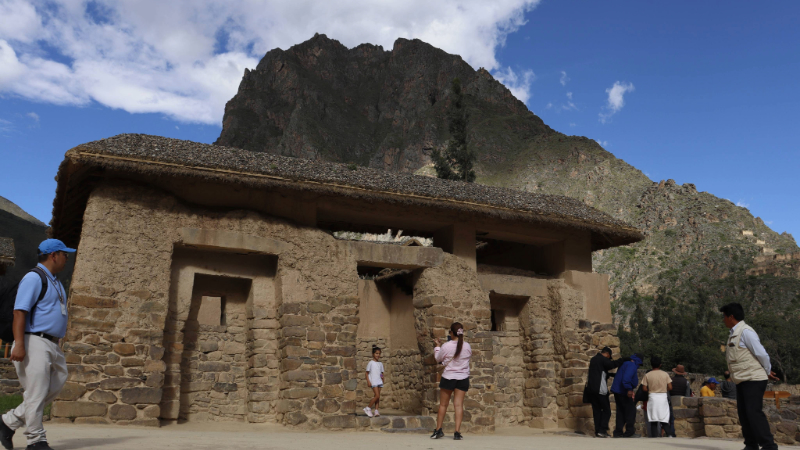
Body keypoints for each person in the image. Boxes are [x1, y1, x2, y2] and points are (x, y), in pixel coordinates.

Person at [0, 239, 74, 450]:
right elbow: (19, 311)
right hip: (34, 340)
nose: (66, 257)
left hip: (52, 343)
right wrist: (20, 344)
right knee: (37, 391)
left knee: (57, 382)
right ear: (53, 255)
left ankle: (8, 421)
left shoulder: (56, 281)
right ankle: (35, 440)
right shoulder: (34, 277)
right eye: (64, 254)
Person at [720, 302, 779, 450]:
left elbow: (761, 354)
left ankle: (769, 446)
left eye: (724, 317)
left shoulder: (746, 332)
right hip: (742, 379)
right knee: (744, 414)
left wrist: (767, 370)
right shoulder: (734, 333)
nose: (723, 320)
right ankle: (751, 445)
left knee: (753, 413)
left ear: (731, 317)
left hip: (753, 378)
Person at [430, 322, 472, 441]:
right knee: (458, 405)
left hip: (449, 377)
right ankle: (457, 432)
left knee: (443, 405)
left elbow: (438, 358)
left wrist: (437, 346)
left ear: (452, 333)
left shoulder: (447, 346)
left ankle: (438, 430)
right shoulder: (467, 346)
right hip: (463, 378)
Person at [585, 346, 628, 438]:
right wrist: (622, 360)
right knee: (607, 410)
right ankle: (602, 430)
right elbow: (612, 365)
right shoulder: (602, 359)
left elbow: (600, 372)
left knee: (596, 411)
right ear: (607, 354)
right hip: (600, 390)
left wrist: (611, 375)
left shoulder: (593, 359)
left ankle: (598, 431)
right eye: (609, 357)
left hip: (591, 390)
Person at [611, 353, 643, 438]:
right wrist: (629, 389)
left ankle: (618, 432)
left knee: (620, 412)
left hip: (617, 390)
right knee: (631, 411)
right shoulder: (631, 365)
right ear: (638, 361)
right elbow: (626, 378)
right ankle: (629, 432)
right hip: (623, 391)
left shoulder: (625, 363)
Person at [641, 356, 672, 438]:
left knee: (653, 417)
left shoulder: (647, 375)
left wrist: (651, 389)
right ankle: (669, 434)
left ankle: (654, 436)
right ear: (660, 365)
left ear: (651, 365)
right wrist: (664, 389)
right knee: (664, 417)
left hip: (652, 396)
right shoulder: (665, 374)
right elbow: (670, 387)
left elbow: (644, 388)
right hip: (663, 396)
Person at [363, 346, 384, 418]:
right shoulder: (371, 363)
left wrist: (382, 379)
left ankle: (376, 410)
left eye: (379, 353)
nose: (378, 355)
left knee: (377, 397)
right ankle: (368, 408)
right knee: (377, 395)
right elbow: (366, 373)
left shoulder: (380, 363)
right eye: (376, 353)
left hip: (379, 381)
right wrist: (368, 381)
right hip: (374, 381)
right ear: (373, 354)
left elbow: (381, 373)